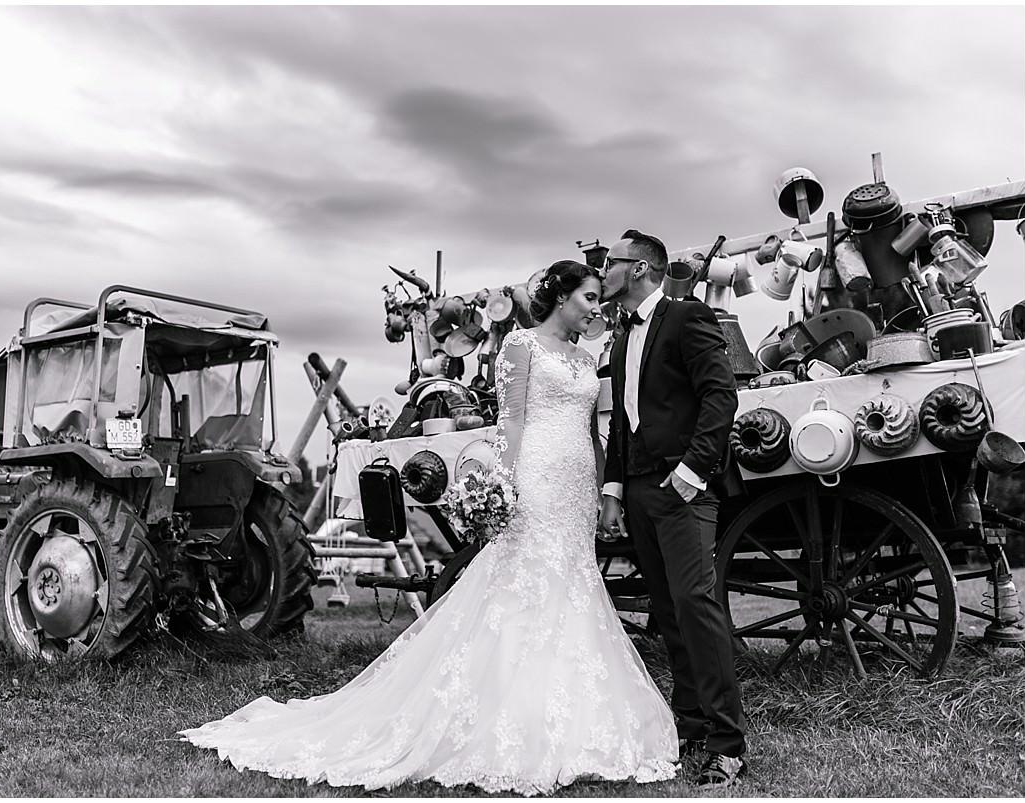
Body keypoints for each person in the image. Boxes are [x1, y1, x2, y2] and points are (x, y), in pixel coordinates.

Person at [180, 260, 679, 795]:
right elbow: (510, 422)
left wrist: (605, 490)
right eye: (586, 297)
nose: (594, 308)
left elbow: (593, 431)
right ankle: (506, 716)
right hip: (534, 480)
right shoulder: (520, 346)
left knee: (572, 589)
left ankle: (579, 717)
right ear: (559, 298)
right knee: (523, 590)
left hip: (576, 485)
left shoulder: (588, 358)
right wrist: (503, 486)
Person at [597, 231, 749, 787]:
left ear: (639, 270)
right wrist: (613, 489)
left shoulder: (687, 318)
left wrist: (691, 472)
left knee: (695, 604)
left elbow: (721, 396)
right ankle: (689, 728)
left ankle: (728, 744)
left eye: (609, 263)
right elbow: (622, 421)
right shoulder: (618, 337)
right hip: (638, 489)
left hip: (683, 486)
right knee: (667, 610)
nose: (602, 271)